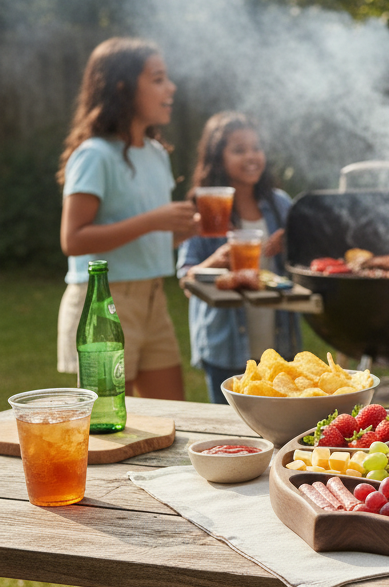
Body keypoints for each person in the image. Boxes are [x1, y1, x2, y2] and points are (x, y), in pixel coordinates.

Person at [56, 38, 197, 399]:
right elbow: (73, 239)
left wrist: (184, 231)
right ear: (122, 87)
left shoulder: (155, 153)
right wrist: (153, 220)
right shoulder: (95, 155)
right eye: (158, 79)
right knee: (107, 427)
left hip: (153, 299)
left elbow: (145, 240)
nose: (171, 87)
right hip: (104, 303)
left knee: (170, 417)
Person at [176, 112, 302, 404]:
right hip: (226, 342)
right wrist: (219, 259)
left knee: (279, 426)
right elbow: (186, 279)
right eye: (238, 149)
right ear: (218, 158)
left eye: (256, 147)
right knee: (230, 429)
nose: (251, 156)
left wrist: (293, 245)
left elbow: (305, 266)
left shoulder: (279, 203)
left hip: (277, 336)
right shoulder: (207, 207)